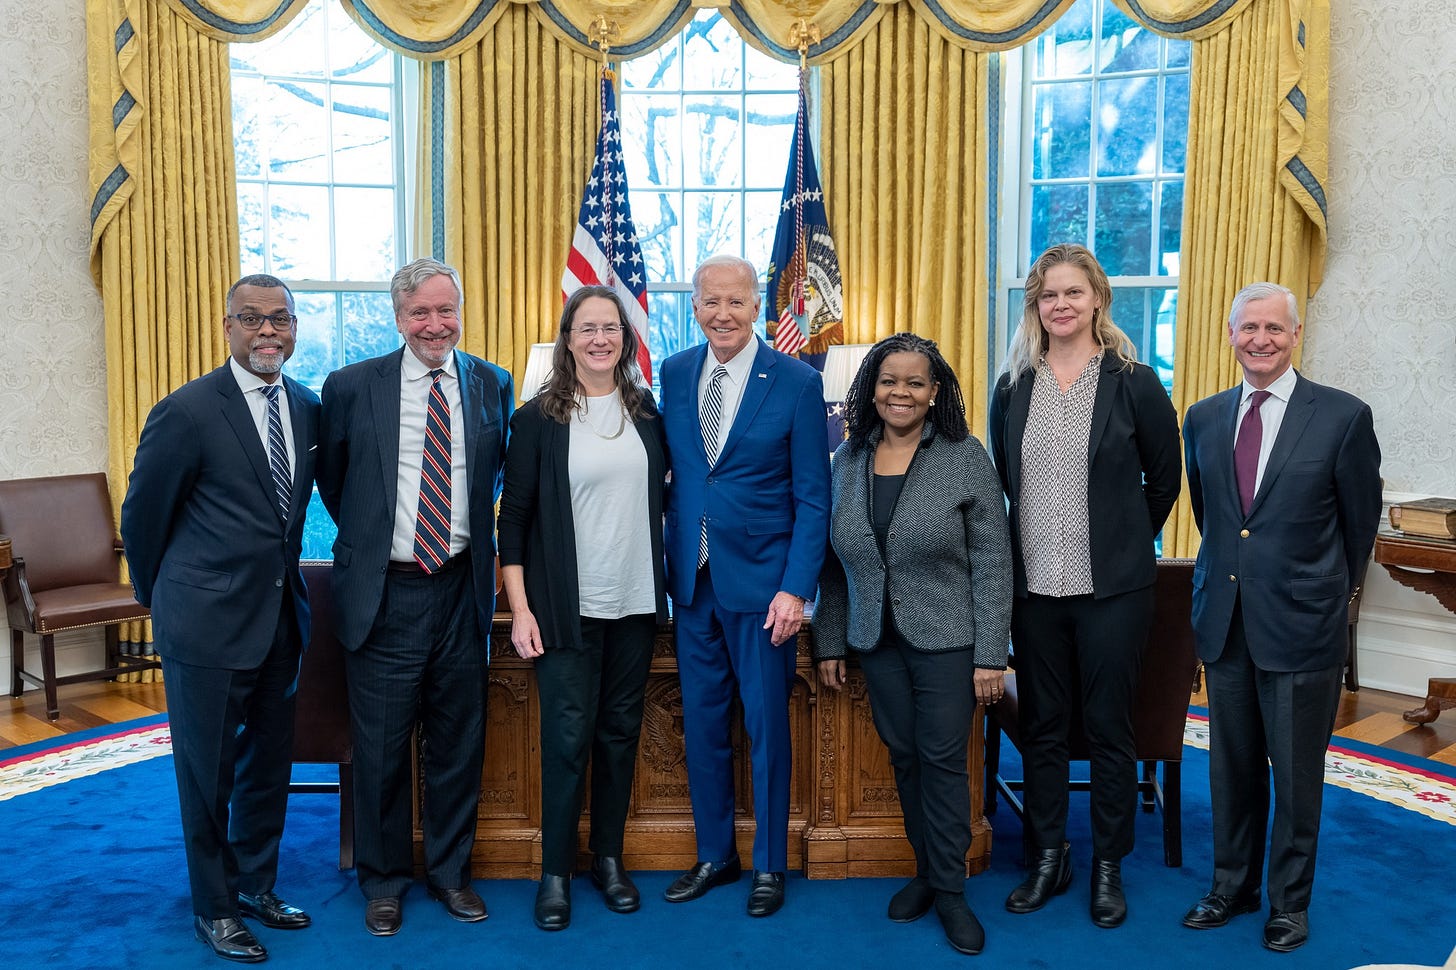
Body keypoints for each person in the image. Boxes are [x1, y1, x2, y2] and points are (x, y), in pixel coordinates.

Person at [120, 274, 319, 963]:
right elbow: (143, 518)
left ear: (295, 328)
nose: (268, 331)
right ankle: (213, 908)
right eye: (253, 318)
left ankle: (256, 885)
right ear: (227, 326)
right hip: (203, 624)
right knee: (207, 775)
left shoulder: (306, 406)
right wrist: (165, 600)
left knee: (269, 764)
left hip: (280, 621)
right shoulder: (186, 411)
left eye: (281, 319)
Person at [1180, 282, 1381, 952]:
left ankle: (1289, 904)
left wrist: (1325, 595)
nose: (1260, 340)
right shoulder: (1204, 418)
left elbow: (1358, 529)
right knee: (1230, 768)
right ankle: (1230, 888)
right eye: (1248, 328)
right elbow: (1215, 520)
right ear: (1230, 334)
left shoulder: (1342, 418)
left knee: (1296, 778)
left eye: (1274, 328)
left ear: (1295, 335)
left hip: (1302, 626)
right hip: (1225, 622)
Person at [316, 257, 513, 937]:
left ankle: (451, 873)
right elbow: (337, 487)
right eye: (421, 313)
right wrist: (381, 544)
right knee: (381, 747)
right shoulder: (349, 387)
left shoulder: (492, 383)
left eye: (446, 310)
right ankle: (384, 879)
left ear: (460, 311)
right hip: (386, 593)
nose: (436, 324)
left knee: (459, 741)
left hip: (461, 589)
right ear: (399, 318)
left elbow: (494, 481)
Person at [987, 243, 1181, 929]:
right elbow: (1006, 485)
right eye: (1047, 296)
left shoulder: (1134, 382)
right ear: (1036, 307)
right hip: (1034, 588)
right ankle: (1048, 856)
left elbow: (1164, 479)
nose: (1060, 305)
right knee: (1040, 726)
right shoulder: (1013, 387)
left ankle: (1106, 864)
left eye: (1072, 293)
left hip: (1113, 593)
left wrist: (1126, 539)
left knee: (1106, 728)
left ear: (1097, 297)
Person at [813, 334, 1012, 956]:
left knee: (943, 759)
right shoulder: (846, 460)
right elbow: (834, 564)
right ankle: (926, 873)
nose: (900, 392)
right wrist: (829, 642)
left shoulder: (963, 455)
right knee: (903, 755)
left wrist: (991, 654)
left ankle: (951, 892)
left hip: (949, 638)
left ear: (934, 393)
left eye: (915, 383)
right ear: (870, 388)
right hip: (876, 638)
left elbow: (994, 561)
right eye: (889, 381)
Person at [658, 254, 831, 917]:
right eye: (710, 302)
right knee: (701, 726)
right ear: (694, 307)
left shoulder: (794, 381)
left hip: (764, 590)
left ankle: (768, 866)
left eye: (736, 302)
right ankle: (715, 855)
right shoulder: (673, 374)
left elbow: (813, 498)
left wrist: (795, 589)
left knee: (765, 728)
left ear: (758, 306)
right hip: (692, 582)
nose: (723, 314)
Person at [497, 285, 668, 931]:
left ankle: (610, 860)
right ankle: (555, 873)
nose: (600, 338)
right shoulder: (537, 418)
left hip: (635, 604)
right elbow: (512, 521)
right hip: (565, 609)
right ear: (568, 339)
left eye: (612, 328)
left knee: (619, 736)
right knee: (566, 742)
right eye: (587, 328)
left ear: (626, 339)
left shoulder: (647, 412)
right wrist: (522, 610)